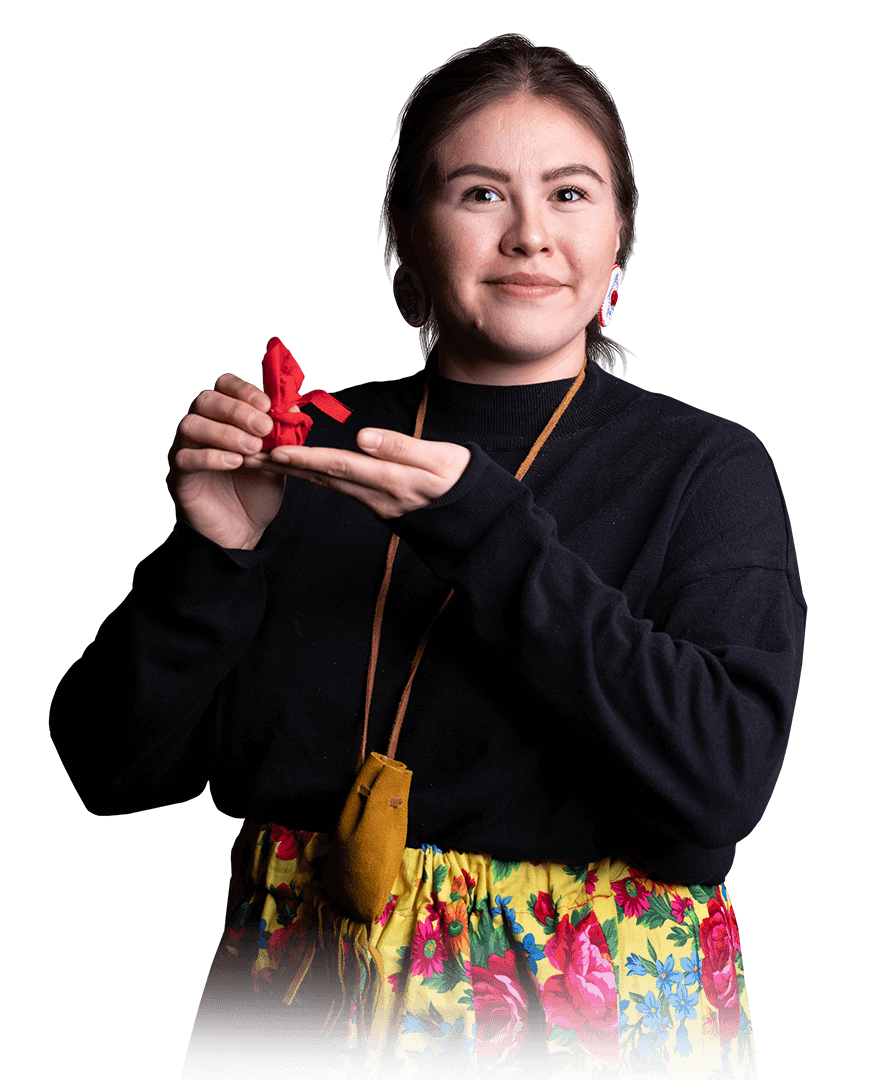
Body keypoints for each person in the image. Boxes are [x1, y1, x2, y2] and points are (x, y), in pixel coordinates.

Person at [48, 34, 803, 1078]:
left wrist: (485, 531)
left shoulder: (706, 467)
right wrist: (214, 555)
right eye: (480, 194)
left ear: (620, 242)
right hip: (298, 1001)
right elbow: (105, 768)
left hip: (588, 1019)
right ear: (403, 242)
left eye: (572, 194)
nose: (532, 234)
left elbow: (720, 785)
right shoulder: (308, 445)